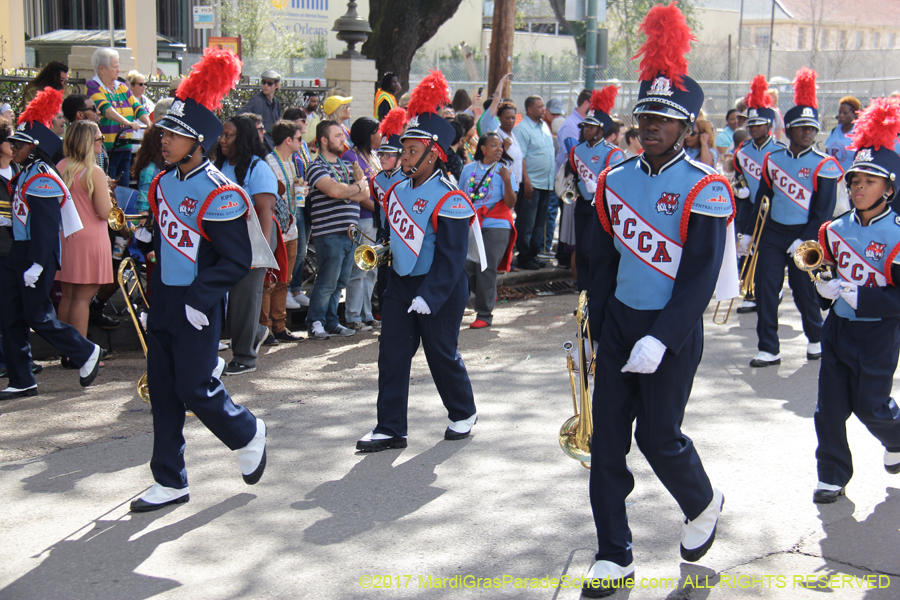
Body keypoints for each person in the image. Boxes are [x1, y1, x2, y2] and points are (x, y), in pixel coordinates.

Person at [582, 5, 734, 594]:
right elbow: (601, 262)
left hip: (670, 330)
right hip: (620, 323)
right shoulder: (613, 180)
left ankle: (703, 500)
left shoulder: (705, 185)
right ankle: (613, 552)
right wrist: (600, 326)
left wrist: (661, 336)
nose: (651, 125)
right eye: (645, 115)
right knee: (607, 443)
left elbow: (698, 277)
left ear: (687, 128)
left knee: (658, 437)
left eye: (665, 119)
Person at [130, 48, 268, 511]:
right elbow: (164, 238)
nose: (163, 141)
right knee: (164, 395)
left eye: (173, 135)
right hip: (164, 300)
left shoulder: (220, 192)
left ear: (196, 142)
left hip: (196, 304)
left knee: (195, 388)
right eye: (164, 132)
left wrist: (200, 298)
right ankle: (170, 479)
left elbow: (237, 259)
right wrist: (141, 240)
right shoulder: (163, 183)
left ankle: (247, 431)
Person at [356, 70, 481, 452]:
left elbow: (451, 257)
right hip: (401, 283)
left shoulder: (451, 198)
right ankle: (390, 427)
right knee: (392, 354)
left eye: (412, 151)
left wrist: (430, 296)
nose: (404, 155)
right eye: (404, 149)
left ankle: (463, 411)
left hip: (438, 287)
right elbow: (394, 231)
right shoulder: (396, 189)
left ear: (435, 155)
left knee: (441, 353)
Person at [812, 97, 900, 504]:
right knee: (828, 408)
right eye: (853, 180)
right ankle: (832, 473)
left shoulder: (898, 232)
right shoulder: (833, 229)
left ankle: (896, 436)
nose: (857, 187)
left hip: (879, 333)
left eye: (869, 181)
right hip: (839, 329)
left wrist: (858, 294)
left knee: (872, 407)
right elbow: (824, 270)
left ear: (889, 188)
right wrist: (824, 289)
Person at [0, 87, 103, 400]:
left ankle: (85, 351)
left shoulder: (41, 177)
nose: (13, 148)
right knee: (10, 318)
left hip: (34, 255)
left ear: (33, 148)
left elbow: (46, 228)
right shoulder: (25, 172)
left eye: (19, 144)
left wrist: (39, 263)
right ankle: (22, 378)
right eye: (13, 142)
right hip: (20, 253)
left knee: (38, 315)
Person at [738, 67, 842, 368]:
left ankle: (815, 339)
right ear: (791, 131)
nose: (809, 133)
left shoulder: (825, 164)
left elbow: (823, 212)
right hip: (772, 233)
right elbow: (764, 200)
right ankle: (769, 348)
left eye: (812, 128)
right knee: (766, 290)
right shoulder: (773, 159)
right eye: (802, 128)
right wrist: (748, 233)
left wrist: (803, 239)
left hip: (804, 235)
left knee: (804, 291)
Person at [213, 115, 278, 373]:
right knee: (223, 295)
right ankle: (258, 330)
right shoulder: (217, 165)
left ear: (243, 138)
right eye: (222, 135)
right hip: (225, 240)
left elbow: (265, 210)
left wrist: (258, 251)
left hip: (254, 238)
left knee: (244, 298)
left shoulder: (257, 168)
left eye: (228, 135)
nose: (222, 140)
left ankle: (244, 357)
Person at [304, 120, 370, 339]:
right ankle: (315, 322)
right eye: (337, 136)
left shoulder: (345, 166)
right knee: (327, 281)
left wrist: (353, 187)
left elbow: (364, 195)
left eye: (342, 135)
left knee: (340, 282)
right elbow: (333, 190)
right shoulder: (316, 167)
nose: (343, 139)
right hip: (328, 233)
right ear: (323, 140)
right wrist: (355, 188)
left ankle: (331, 322)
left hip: (349, 233)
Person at [55, 121, 113, 349]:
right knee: (82, 299)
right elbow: (104, 212)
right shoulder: (93, 172)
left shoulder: (61, 166)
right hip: (90, 238)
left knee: (67, 296)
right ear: (88, 142)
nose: (102, 142)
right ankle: (80, 353)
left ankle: (65, 349)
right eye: (99, 138)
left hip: (66, 236)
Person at [732, 75, 782, 315]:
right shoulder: (743, 151)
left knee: (769, 252)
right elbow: (738, 174)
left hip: (774, 210)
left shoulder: (780, 150)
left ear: (769, 126)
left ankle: (773, 288)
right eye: (750, 125)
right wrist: (740, 185)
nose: (752, 129)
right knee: (746, 248)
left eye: (758, 125)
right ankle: (749, 291)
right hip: (749, 208)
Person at [568, 86, 625, 293]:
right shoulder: (576, 150)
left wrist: (599, 185)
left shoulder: (613, 152)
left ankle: (600, 288)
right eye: (585, 127)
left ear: (601, 130)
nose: (586, 130)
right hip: (582, 203)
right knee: (580, 251)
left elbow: (618, 180)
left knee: (589, 249)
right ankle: (584, 292)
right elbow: (574, 175)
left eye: (591, 128)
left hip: (600, 205)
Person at [462, 132, 517, 329]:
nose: (499, 149)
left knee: (486, 267)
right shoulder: (468, 169)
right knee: (468, 268)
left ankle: (484, 314)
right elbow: (461, 197)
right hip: (472, 224)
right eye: (494, 145)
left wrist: (507, 180)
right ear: (483, 149)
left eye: (501, 146)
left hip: (497, 224)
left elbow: (511, 202)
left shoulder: (504, 170)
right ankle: (487, 294)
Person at [261, 120, 305, 343]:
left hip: (292, 229)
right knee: (269, 281)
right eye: (299, 138)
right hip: (276, 230)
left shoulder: (294, 161)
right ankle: (265, 329)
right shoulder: (268, 162)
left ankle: (280, 327)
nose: (301, 142)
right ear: (288, 140)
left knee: (283, 281)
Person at [86, 48, 150, 187]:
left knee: (124, 184)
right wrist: (128, 123)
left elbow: (137, 107)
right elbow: (106, 110)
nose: (118, 70)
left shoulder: (121, 87)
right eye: (115, 67)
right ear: (102, 69)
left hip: (125, 145)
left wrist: (148, 123)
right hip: (107, 148)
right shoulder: (93, 86)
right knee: (109, 183)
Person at [342, 116, 382, 331]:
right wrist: (379, 209)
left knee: (372, 270)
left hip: (376, 219)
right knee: (360, 270)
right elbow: (355, 192)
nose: (381, 134)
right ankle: (353, 316)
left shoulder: (373, 156)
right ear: (369, 135)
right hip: (363, 219)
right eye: (378, 131)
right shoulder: (350, 157)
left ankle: (367, 315)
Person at [370, 108, 407, 320]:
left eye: (388, 155)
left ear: (400, 157)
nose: (382, 158)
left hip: (405, 235)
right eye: (380, 154)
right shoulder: (376, 181)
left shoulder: (408, 178)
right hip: (386, 236)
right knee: (383, 280)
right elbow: (379, 212)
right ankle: (386, 320)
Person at [513, 95, 555, 270]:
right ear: (529, 109)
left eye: (543, 106)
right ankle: (524, 256)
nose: (543, 109)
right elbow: (520, 157)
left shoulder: (544, 126)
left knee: (539, 222)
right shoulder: (522, 130)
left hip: (545, 184)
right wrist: (527, 181)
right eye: (539, 107)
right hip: (531, 185)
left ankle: (533, 254)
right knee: (527, 222)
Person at [281, 107, 313, 310]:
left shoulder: (303, 147)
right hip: (293, 204)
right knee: (295, 248)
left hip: (304, 199)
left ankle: (295, 289)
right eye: (303, 120)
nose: (307, 123)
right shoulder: (286, 150)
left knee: (301, 250)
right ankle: (285, 290)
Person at [825, 96, 862, 215]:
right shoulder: (835, 130)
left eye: (845, 113)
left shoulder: (858, 132)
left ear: (855, 115)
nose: (841, 115)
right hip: (834, 178)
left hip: (850, 180)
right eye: (840, 112)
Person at [237, 69, 282, 148]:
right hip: (261, 145)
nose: (265, 85)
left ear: (277, 85)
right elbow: (238, 117)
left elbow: (279, 121)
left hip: (273, 143)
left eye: (269, 83)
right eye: (264, 82)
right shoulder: (256, 101)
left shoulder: (276, 102)